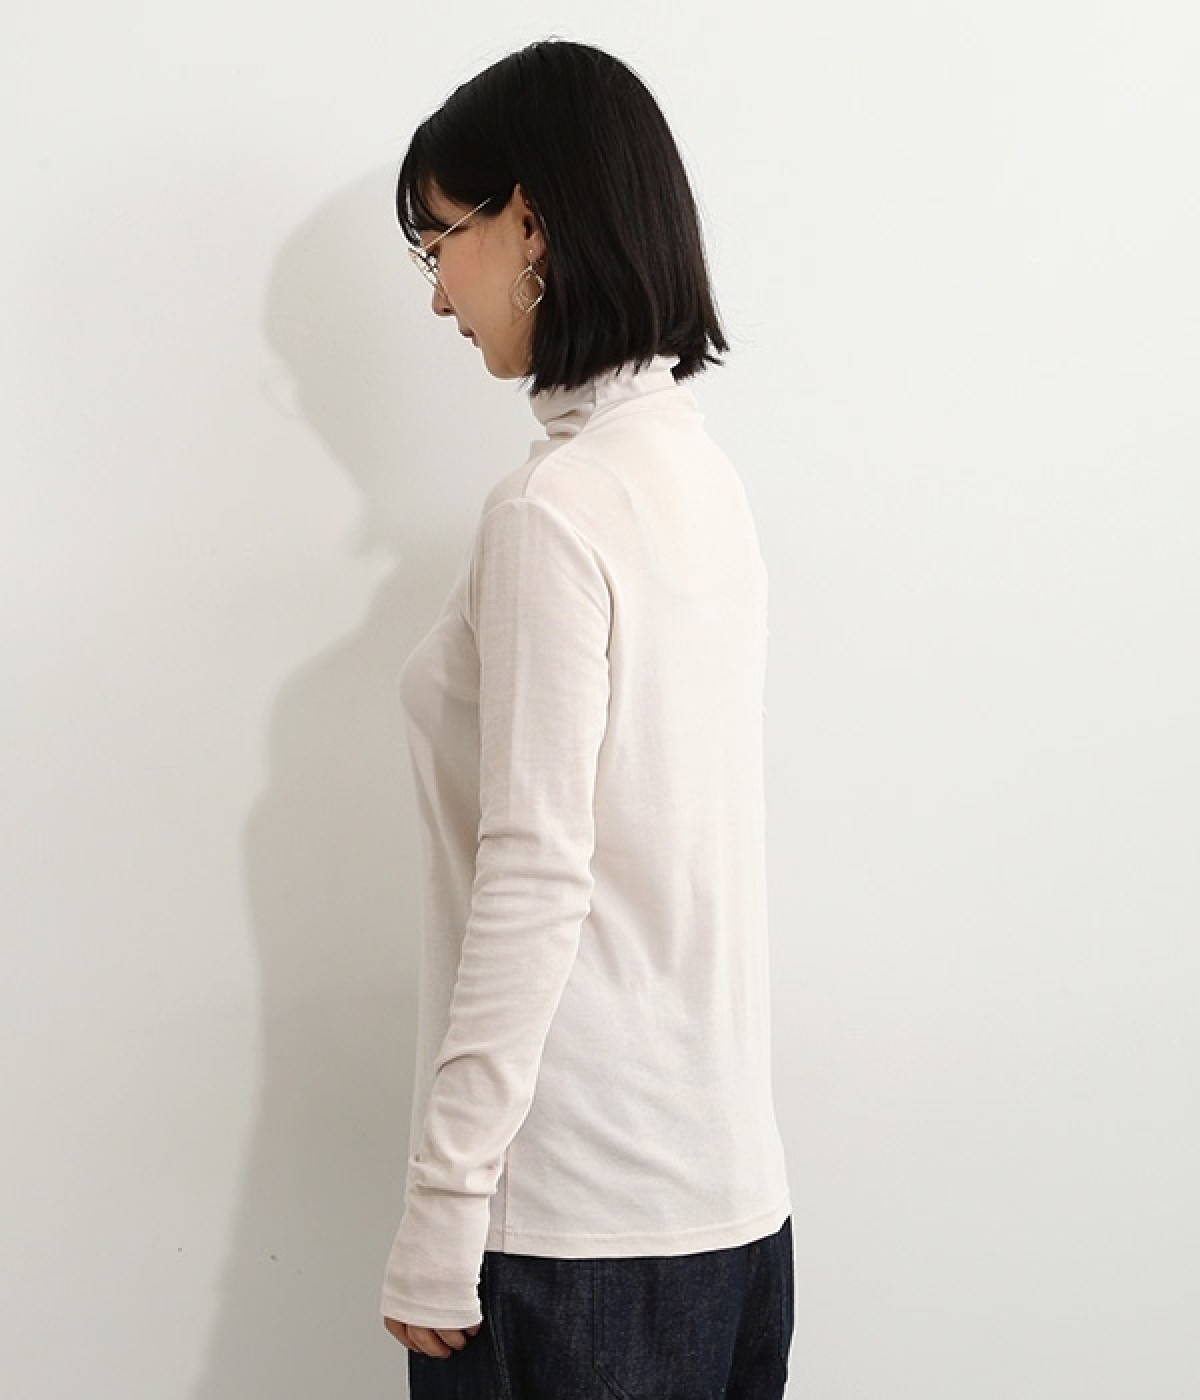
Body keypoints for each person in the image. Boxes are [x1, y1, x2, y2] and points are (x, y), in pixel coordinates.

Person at [380, 39, 793, 1399]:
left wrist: (445, 1205)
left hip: (573, 1236)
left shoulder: (551, 514)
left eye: (440, 238)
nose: (435, 291)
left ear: (533, 223)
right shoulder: (701, 481)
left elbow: (536, 872)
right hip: (733, 1211)